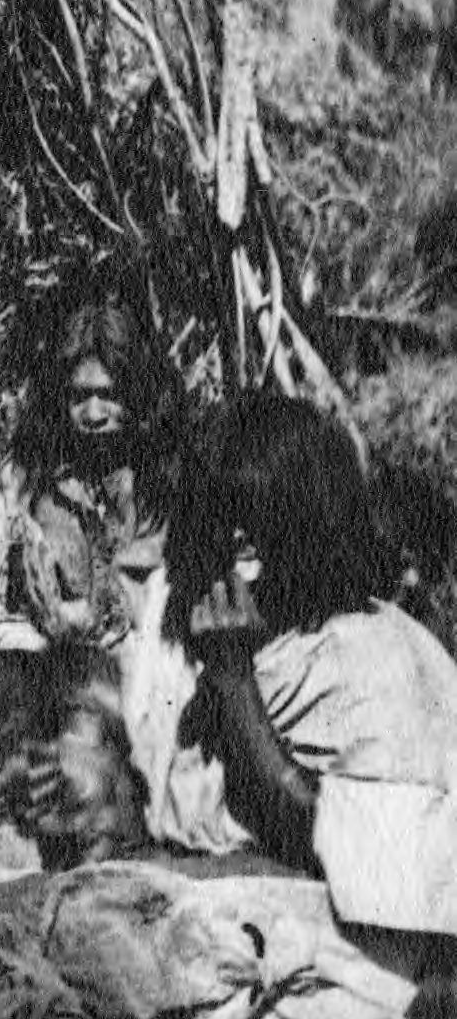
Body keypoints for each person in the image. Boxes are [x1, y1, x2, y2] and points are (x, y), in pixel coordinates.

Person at [159, 392, 457, 939]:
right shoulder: (257, 638)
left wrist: (235, 684)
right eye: (220, 518)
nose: (235, 540)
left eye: (255, 516)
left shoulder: (371, 658)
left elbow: (373, 865)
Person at [0, 281, 178, 654]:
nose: (94, 415)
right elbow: (0, 615)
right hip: (43, 674)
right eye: (80, 397)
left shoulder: (162, 479)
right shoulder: (21, 481)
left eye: (110, 396)